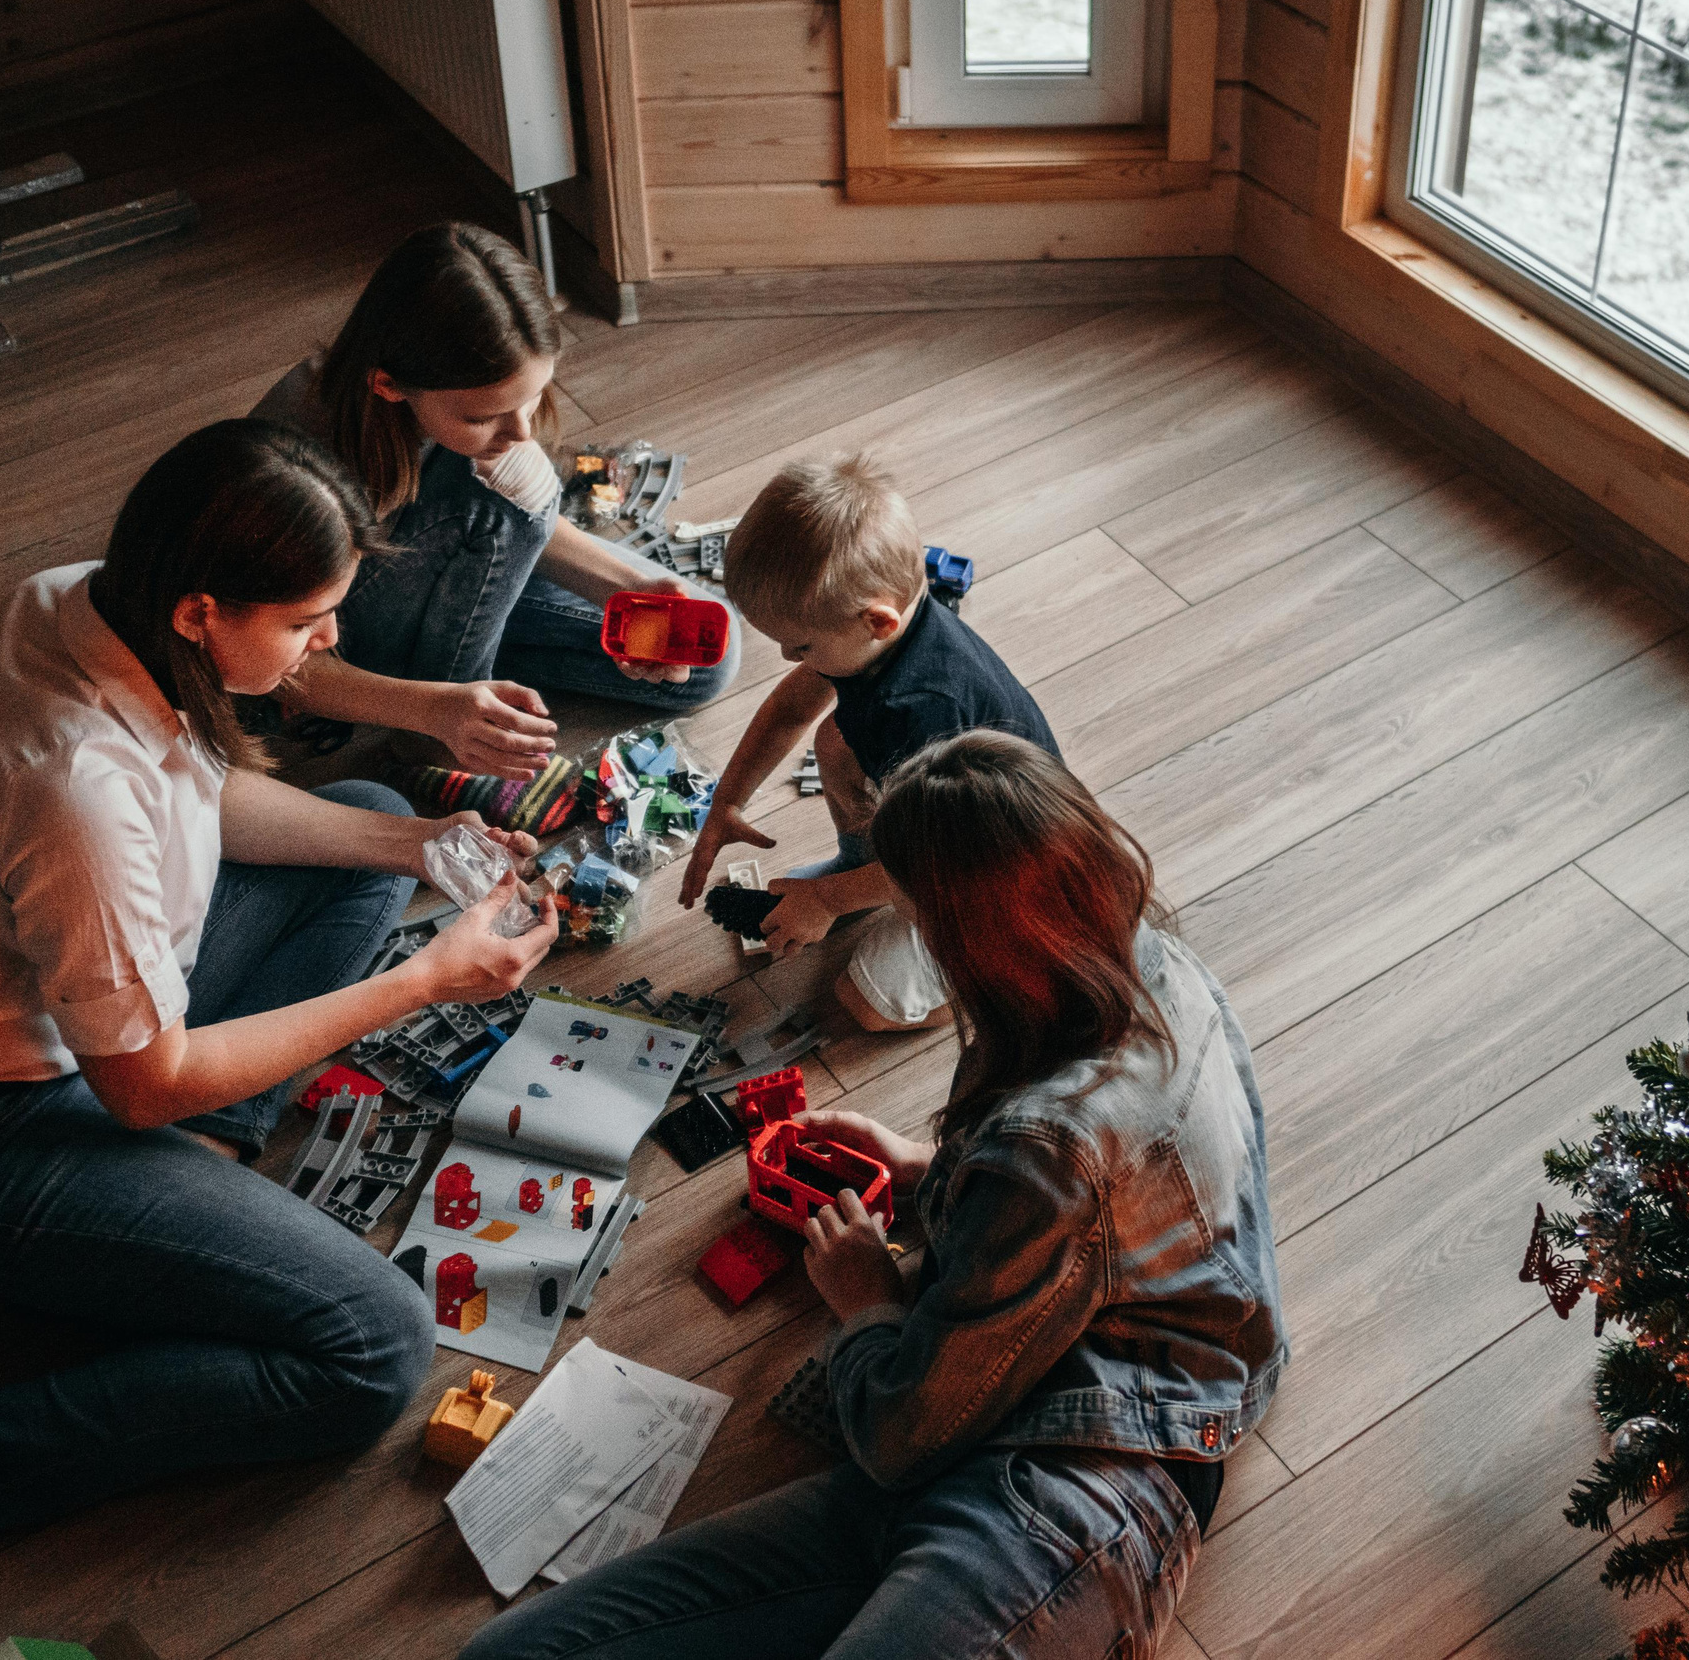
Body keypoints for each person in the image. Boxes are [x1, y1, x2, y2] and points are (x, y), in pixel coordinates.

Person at [0, 420, 560, 1660]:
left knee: (366, 813)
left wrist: (416, 855)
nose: (328, 645)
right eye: (307, 622)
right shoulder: (69, 791)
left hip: (59, 1017)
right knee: (376, 1350)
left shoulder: (75, 604)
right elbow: (146, 1084)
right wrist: (429, 982)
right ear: (202, 610)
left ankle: (214, 1167)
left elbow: (196, 795)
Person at [469, 731, 1286, 1660]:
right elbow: (1117, 1213)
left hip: (1095, 1476)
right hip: (1068, 1389)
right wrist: (938, 1175)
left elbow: (901, 1434)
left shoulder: (1048, 1148)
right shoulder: (1150, 961)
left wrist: (865, 1300)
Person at [253, 221, 737, 785]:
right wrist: (435, 713)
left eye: (531, 399)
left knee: (706, 662)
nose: (522, 431)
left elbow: (520, 517)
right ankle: (429, 742)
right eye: (483, 417)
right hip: (334, 631)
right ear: (387, 384)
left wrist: (619, 589)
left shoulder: (453, 407)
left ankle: (453, 660)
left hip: (447, 556)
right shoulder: (298, 471)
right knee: (497, 495)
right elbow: (276, 661)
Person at [679, 453, 1057, 1033]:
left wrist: (830, 900)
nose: (788, 657)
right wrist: (728, 801)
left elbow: (942, 866)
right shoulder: (882, 635)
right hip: (935, 832)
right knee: (836, 737)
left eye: (799, 646)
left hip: (995, 870)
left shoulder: (926, 711)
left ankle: (999, 987)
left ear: (876, 620)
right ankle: (865, 868)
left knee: (865, 1006)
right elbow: (791, 707)